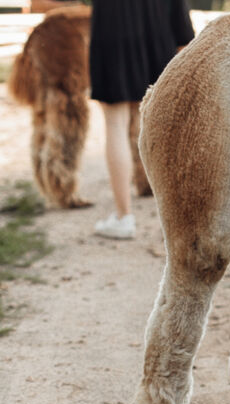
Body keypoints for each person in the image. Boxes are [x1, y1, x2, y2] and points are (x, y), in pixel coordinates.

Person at [89, 0, 194, 239]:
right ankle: (184, 219)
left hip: (112, 39)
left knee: (115, 124)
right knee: (165, 127)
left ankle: (124, 217)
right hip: (158, 40)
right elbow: (180, 15)